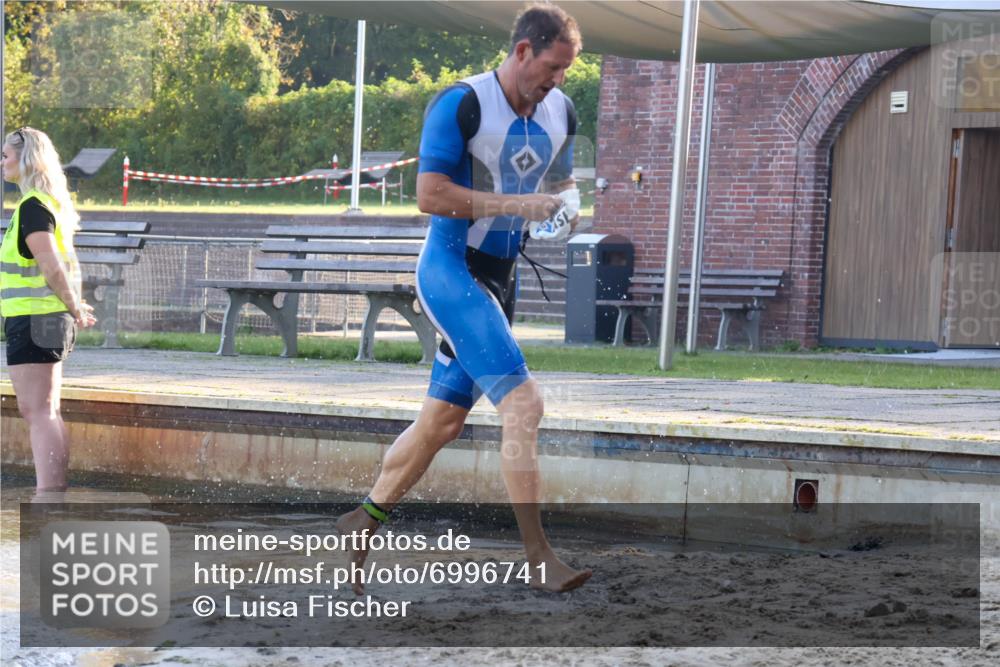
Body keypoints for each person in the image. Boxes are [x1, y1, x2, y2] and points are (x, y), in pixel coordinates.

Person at [337, 3, 591, 593]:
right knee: (524, 405)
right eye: (552, 66)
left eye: (567, 71)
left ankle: (361, 519)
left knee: (441, 424)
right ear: (523, 50)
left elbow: (560, 183)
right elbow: (429, 194)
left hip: (502, 279)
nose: (557, 80)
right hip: (451, 273)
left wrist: (565, 206)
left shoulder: (563, 111)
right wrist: (513, 206)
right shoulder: (462, 103)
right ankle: (539, 559)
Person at [1, 127, 96, 492]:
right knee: (46, 411)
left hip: (36, 318)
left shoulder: (33, 207)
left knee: (37, 412)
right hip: (43, 317)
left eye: (6, 156)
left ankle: (48, 494)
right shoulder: (47, 203)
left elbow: (51, 265)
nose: (1, 163)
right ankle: (52, 495)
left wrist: (74, 306)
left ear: (26, 160)